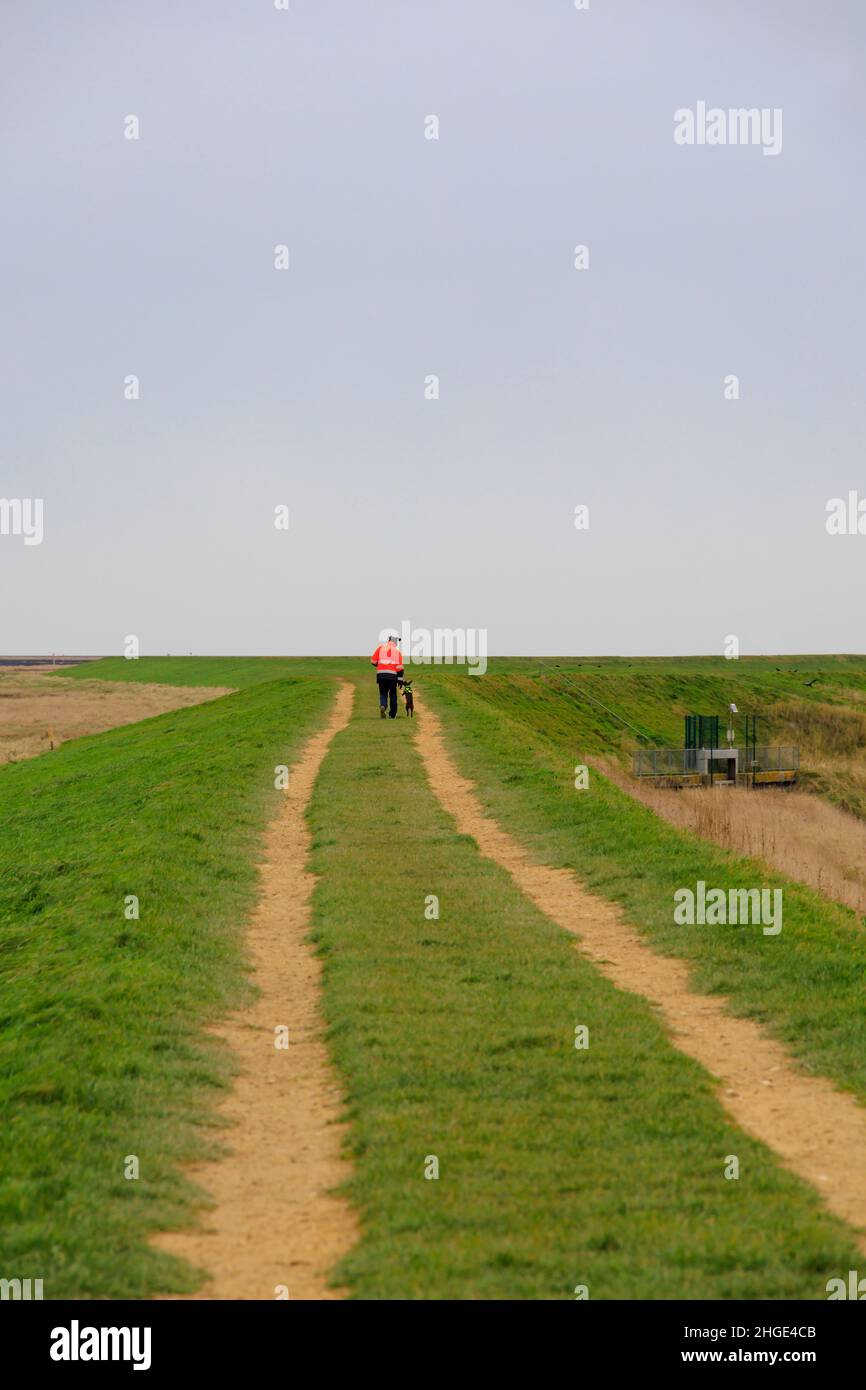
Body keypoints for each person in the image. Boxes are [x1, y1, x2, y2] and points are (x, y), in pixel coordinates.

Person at [371, 634, 404, 718]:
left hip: (381, 675)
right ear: (395, 642)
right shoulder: (397, 652)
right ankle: (392, 714)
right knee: (393, 694)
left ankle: (383, 706)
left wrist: (381, 665)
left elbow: (373, 661)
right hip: (392, 676)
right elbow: (400, 668)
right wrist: (400, 680)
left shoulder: (380, 648)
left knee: (383, 693)